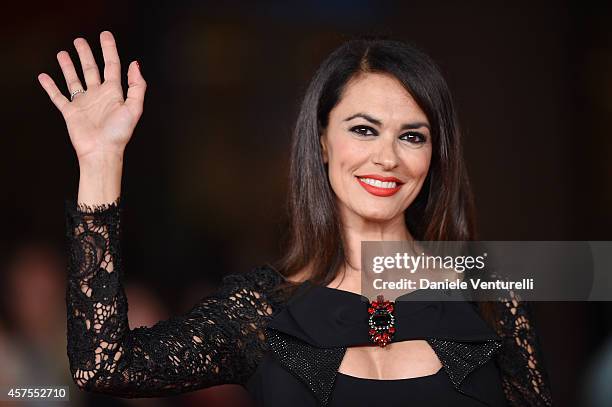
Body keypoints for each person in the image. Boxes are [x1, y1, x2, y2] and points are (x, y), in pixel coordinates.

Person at [38, 31, 553, 406]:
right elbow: (103, 365)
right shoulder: (260, 314)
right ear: (323, 143)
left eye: (412, 136)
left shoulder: (486, 297)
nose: (388, 157)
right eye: (364, 130)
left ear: (434, 154)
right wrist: (100, 162)